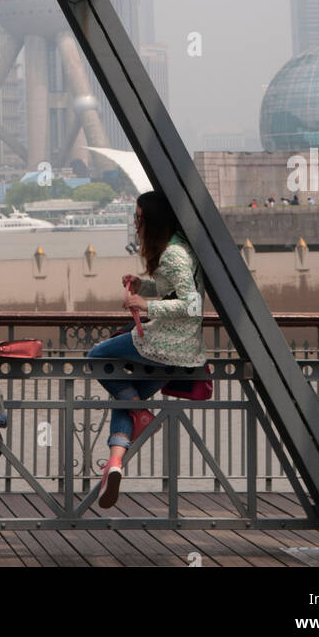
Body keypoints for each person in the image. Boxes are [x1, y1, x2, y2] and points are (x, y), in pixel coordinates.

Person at [86, 191, 206, 509]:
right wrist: (143, 285)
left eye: (138, 216)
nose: (135, 222)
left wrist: (145, 304)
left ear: (150, 220)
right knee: (126, 397)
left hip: (165, 343)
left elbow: (192, 305)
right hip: (179, 351)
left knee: (96, 357)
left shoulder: (173, 255)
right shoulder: (178, 247)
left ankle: (139, 413)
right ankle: (114, 464)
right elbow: (173, 291)